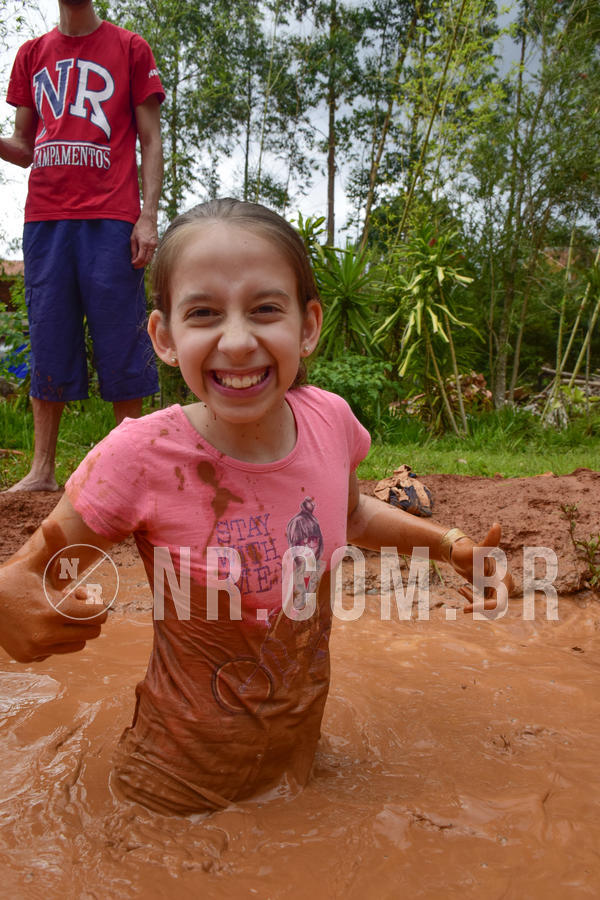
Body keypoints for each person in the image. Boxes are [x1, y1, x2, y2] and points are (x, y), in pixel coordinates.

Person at [0, 199, 512, 816]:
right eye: (204, 313)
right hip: (175, 793)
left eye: (266, 309)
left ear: (308, 325)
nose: (238, 342)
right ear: (165, 337)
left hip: (296, 762)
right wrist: (9, 602)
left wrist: (449, 545)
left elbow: (349, 515)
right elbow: (29, 573)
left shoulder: (329, 421)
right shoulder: (141, 454)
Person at [0, 0, 164, 492]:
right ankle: (42, 470)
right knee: (48, 333)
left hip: (112, 218)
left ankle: (128, 470)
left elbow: (151, 139)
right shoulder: (32, 54)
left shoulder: (130, 48)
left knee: (122, 337)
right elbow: (24, 147)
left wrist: (148, 217)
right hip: (45, 220)